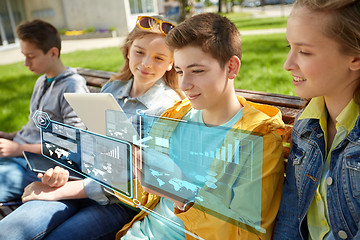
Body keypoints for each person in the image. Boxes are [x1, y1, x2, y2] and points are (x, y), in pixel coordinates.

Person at [0, 16, 184, 240]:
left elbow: (134, 182)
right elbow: (86, 145)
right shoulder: (112, 89)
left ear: (171, 63)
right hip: (77, 183)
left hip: (116, 203)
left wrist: (62, 190)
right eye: (139, 52)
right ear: (128, 51)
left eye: (159, 58)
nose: (146, 63)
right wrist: (60, 173)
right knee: (8, 231)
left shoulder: (168, 108)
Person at [115, 12, 285, 240]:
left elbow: (248, 235)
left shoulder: (259, 137)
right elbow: (140, 197)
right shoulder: (176, 116)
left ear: (231, 67)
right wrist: (129, 166)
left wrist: (183, 195)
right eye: (180, 71)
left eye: (197, 71)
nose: (184, 85)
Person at [273, 0, 360, 239]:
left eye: (304, 52)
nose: (287, 64)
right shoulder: (306, 124)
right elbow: (290, 215)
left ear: (355, 58)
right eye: (289, 47)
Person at [0, 19, 88, 203]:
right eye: (24, 55)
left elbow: (72, 143)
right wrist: (10, 136)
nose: (25, 63)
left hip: (33, 164)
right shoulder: (42, 81)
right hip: (17, 155)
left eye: (31, 56)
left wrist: (18, 149)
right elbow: (35, 126)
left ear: (53, 53)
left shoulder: (73, 86)